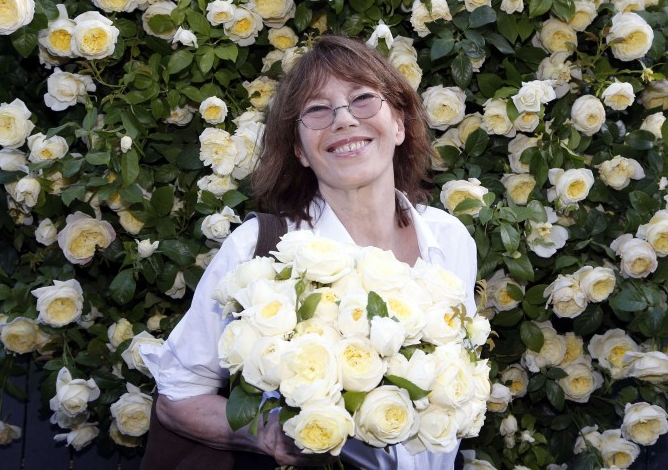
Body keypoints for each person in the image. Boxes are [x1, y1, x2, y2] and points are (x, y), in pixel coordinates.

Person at [140, 35, 478, 469]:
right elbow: (177, 396)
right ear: (299, 149)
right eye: (318, 110)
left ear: (399, 124)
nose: (343, 120)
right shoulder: (260, 253)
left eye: (362, 99)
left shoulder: (450, 241)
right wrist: (266, 435)